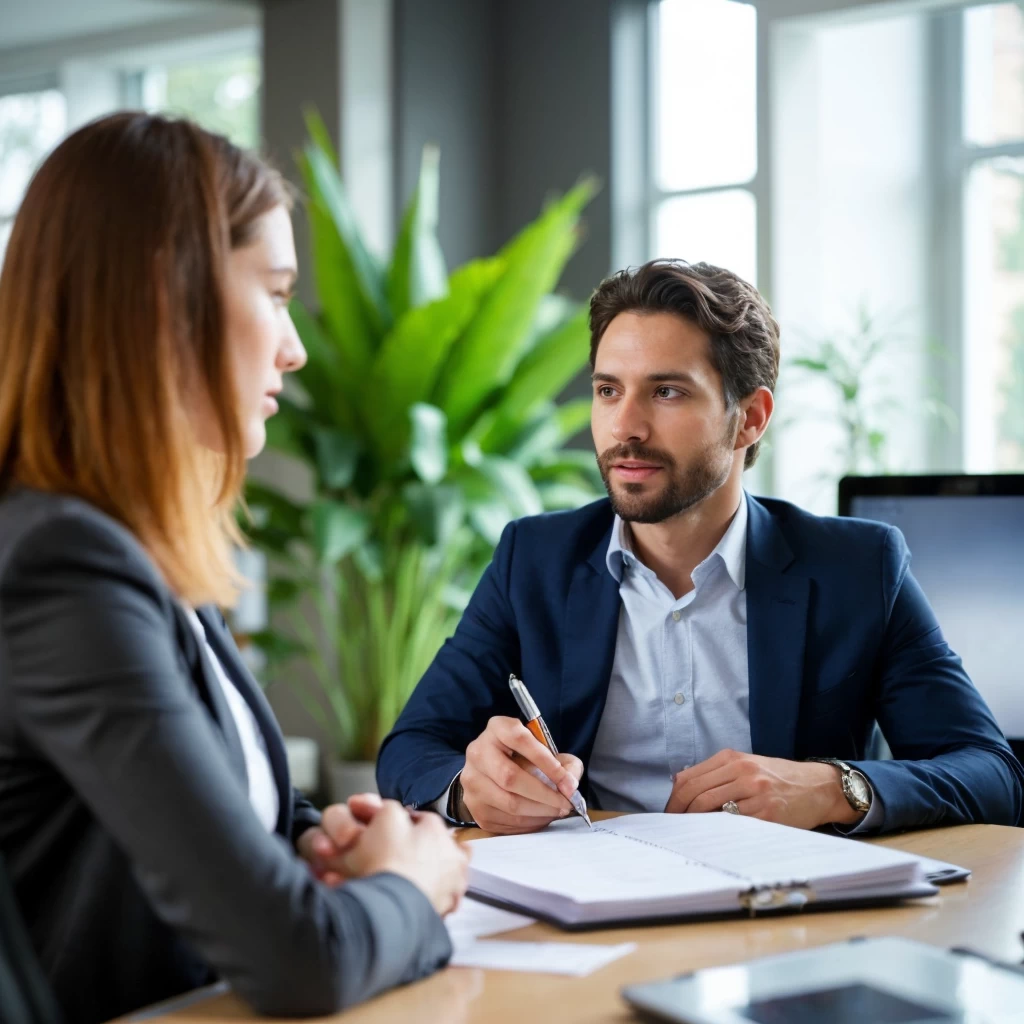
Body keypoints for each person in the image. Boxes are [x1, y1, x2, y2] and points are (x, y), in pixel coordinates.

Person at [0, 112, 468, 1024]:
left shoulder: (137, 544)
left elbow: (221, 800)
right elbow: (300, 963)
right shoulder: (63, 569)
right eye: (277, 292)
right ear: (165, 295)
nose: (293, 348)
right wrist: (411, 888)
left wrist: (318, 841)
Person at [378, 259, 1024, 836]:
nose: (624, 427)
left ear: (751, 417)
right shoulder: (534, 559)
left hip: (783, 915)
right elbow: (411, 749)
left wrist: (833, 787)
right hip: (584, 903)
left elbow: (991, 772)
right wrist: (471, 789)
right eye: (608, 390)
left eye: (667, 391)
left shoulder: (858, 568)